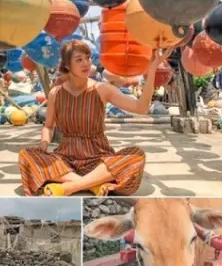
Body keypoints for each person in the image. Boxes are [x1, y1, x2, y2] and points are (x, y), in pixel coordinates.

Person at [18, 40, 171, 196]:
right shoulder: (55, 93)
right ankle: (93, 185)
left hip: (99, 160)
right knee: (27, 155)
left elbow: (141, 108)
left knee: (136, 155)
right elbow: (48, 126)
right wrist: (43, 145)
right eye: (79, 59)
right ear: (67, 66)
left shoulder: (102, 89)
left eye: (87, 57)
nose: (86, 63)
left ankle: (69, 187)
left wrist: (152, 69)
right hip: (65, 160)